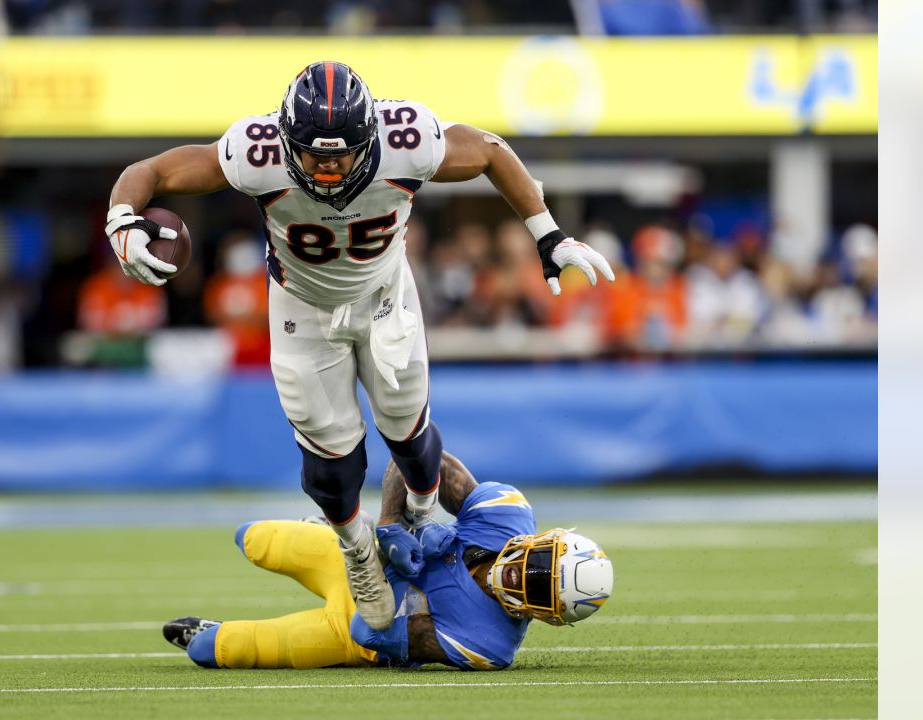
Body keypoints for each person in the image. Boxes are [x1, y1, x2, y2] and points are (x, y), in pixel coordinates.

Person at [105, 61, 614, 630]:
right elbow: (149, 170)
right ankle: (358, 554)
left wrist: (548, 234)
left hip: (384, 296)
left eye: (339, 154)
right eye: (312, 153)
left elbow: (491, 149)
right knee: (331, 459)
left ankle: (418, 515)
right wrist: (121, 218)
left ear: (370, 137)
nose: (325, 167)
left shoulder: (407, 142)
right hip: (301, 309)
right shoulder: (258, 150)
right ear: (286, 139)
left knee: (409, 432)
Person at [161, 452, 614, 670]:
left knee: (218, 651)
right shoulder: (505, 515)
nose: (522, 576)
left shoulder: (488, 644)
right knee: (253, 538)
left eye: (538, 588)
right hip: (359, 555)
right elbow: (419, 459)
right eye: (539, 563)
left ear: (546, 618)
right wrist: (394, 524)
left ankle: (210, 632)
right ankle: (329, 530)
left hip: (356, 629)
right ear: (543, 539)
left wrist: (402, 568)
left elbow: (372, 628)